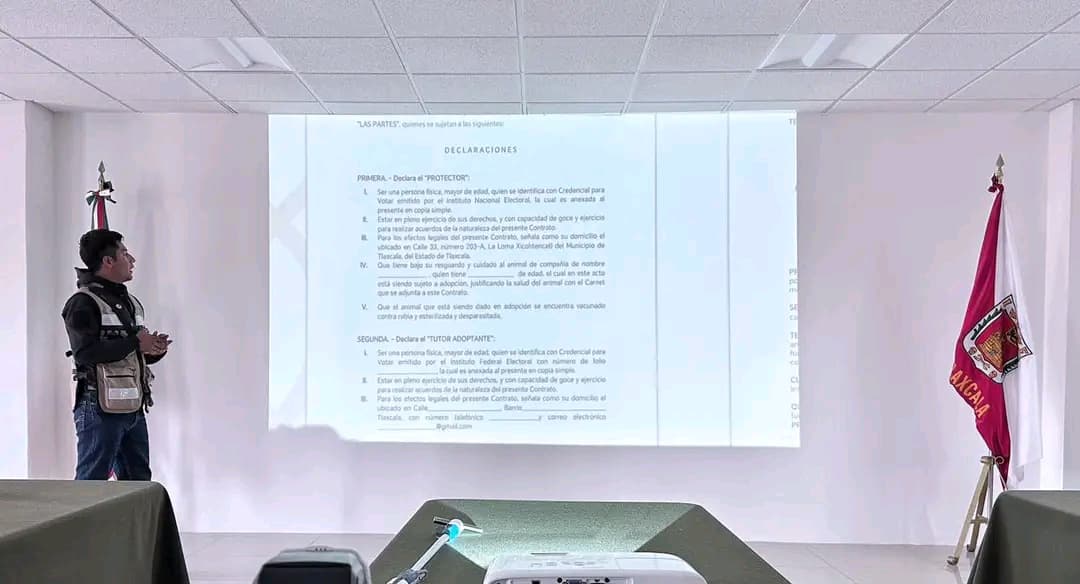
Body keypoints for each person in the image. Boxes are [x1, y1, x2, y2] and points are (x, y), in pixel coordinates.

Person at [62, 229, 171, 480]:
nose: (132, 259)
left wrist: (153, 350)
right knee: (92, 483)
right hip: (99, 409)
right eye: (124, 253)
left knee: (138, 482)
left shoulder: (130, 302)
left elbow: (129, 353)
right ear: (108, 261)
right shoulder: (82, 302)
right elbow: (85, 354)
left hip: (132, 408)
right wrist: (136, 342)